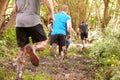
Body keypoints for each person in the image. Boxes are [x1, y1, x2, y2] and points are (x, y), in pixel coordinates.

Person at [13, 0, 54, 80]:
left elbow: (15, 9)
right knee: (43, 42)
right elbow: (48, 1)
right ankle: (34, 48)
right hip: (33, 20)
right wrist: (52, 14)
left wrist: (19, 19)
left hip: (19, 22)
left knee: (23, 49)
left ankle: (19, 74)